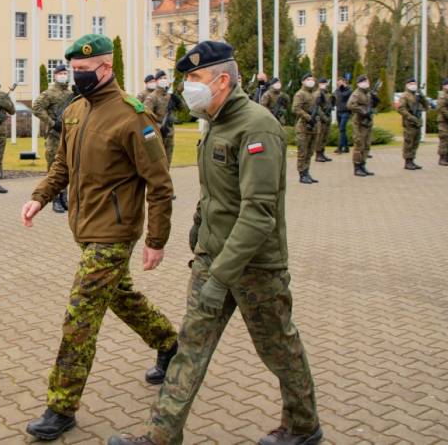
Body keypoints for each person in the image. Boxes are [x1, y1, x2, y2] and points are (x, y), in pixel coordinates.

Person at [107, 41, 322, 445]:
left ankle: (303, 426)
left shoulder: (256, 126)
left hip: (255, 267)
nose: (188, 87)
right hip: (212, 258)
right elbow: (217, 196)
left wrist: (220, 279)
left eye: (195, 78)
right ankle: (161, 436)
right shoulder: (215, 121)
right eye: (186, 78)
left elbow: (258, 213)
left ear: (222, 80)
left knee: (279, 348)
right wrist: (198, 232)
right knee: (190, 347)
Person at [20, 34, 178, 441]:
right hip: (85, 227)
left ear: (106, 69)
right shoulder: (75, 111)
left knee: (80, 317)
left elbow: (159, 184)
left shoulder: (133, 116)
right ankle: (169, 343)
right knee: (121, 296)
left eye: (84, 71)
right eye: (73, 70)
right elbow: (62, 165)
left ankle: (61, 406)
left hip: (114, 232)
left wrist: (156, 240)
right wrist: (39, 197)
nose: (77, 77)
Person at [32, 64, 75, 212]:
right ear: (55, 75)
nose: (63, 75)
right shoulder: (49, 93)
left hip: (67, 136)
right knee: (53, 167)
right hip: (54, 137)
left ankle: (64, 197)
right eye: (60, 73)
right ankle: (55, 199)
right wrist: (51, 122)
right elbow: (36, 107)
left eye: (65, 73)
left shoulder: (71, 94)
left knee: (67, 167)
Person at [143, 70, 178, 166]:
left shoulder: (169, 96)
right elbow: (146, 116)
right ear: (156, 80)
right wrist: (159, 126)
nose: (164, 80)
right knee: (158, 165)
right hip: (158, 134)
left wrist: (179, 101)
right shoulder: (152, 97)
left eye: (165, 78)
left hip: (169, 134)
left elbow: (183, 110)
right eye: (161, 78)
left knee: (167, 163)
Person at [292, 73, 320, 184]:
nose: (310, 81)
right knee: (302, 152)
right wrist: (308, 117)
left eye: (312, 79)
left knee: (310, 152)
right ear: (303, 81)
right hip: (303, 127)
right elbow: (295, 109)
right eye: (308, 79)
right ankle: (302, 174)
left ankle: (307, 172)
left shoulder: (313, 94)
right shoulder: (300, 94)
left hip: (313, 127)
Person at [347, 75, 376, 177]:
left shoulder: (367, 93)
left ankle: (363, 165)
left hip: (367, 123)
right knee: (359, 144)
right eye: (365, 81)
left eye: (367, 81)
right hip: (359, 123)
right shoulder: (357, 93)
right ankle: (357, 167)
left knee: (367, 145)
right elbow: (350, 105)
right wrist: (363, 111)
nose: (367, 83)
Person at [397, 77, 428, 170]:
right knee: (409, 142)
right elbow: (401, 109)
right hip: (409, 123)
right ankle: (408, 161)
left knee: (416, 141)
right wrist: (411, 117)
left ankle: (412, 160)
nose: (413, 85)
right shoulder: (404, 96)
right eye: (411, 84)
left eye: (414, 83)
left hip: (417, 122)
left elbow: (426, 105)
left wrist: (421, 96)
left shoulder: (417, 95)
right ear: (407, 85)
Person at [314, 78, 334, 163]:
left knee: (325, 136)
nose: (325, 85)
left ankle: (322, 153)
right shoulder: (318, 93)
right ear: (319, 84)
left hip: (327, 117)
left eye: (325, 83)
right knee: (320, 137)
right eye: (323, 83)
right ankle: (318, 154)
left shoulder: (326, 93)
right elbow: (317, 107)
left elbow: (328, 104)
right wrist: (323, 116)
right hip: (321, 119)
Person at [334, 76, 352, 154]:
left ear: (344, 82)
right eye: (338, 82)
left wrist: (342, 88)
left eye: (340, 81)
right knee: (342, 130)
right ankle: (347, 147)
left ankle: (340, 148)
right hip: (338, 112)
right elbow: (335, 96)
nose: (338, 83)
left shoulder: (349, 90)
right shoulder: (337, 90)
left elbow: (342, 95)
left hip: (346, 112)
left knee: (341, 129)